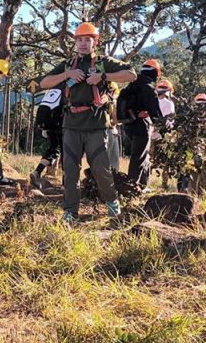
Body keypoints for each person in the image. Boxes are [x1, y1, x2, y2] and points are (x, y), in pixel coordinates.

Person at [40, 22, 136, 222]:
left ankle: (112, 203)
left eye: (87, 39)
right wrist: (67, 75)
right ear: (75, 42)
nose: (83, 43)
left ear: (95, 42)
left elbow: (131, 74)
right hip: (71, 124)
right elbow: (44, 83)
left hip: (96, 124)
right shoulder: (68, 64)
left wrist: (103, 76)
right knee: (70, 171)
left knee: (101, 169)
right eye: (80, 40)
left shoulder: (102, 62)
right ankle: (70, 211)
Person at [120, 59, 166, 191]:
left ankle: (142, 185)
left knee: (143, 155)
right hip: (142, 125)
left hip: (129, 124)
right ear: (155, 72)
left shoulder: (132, 84)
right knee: (139, 156)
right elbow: (155, 112)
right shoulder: (148, 87)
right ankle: (132, 187)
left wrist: (132, 115)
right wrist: (164, 128)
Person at [29, 88, 63, 189]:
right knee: (66, 151)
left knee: (54, 148)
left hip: (48, 123)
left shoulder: (52, 88)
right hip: (60, 123)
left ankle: (37, 172)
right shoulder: (67, 87)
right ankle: (65, 182)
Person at [152, 79, 176, 189]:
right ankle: (164, 184)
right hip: (163, 135)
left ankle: (144, 182)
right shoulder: (169, 103)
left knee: (148, 159)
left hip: (151, 133)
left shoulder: (152, 101)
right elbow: (170, 121)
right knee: (165, 160)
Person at [106, 82, 122, 171]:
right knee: (107, 158)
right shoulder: (110, 102)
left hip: (113, 131)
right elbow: (114, 120)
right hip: (108, 131)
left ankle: (114, 176)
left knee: (114, 159)